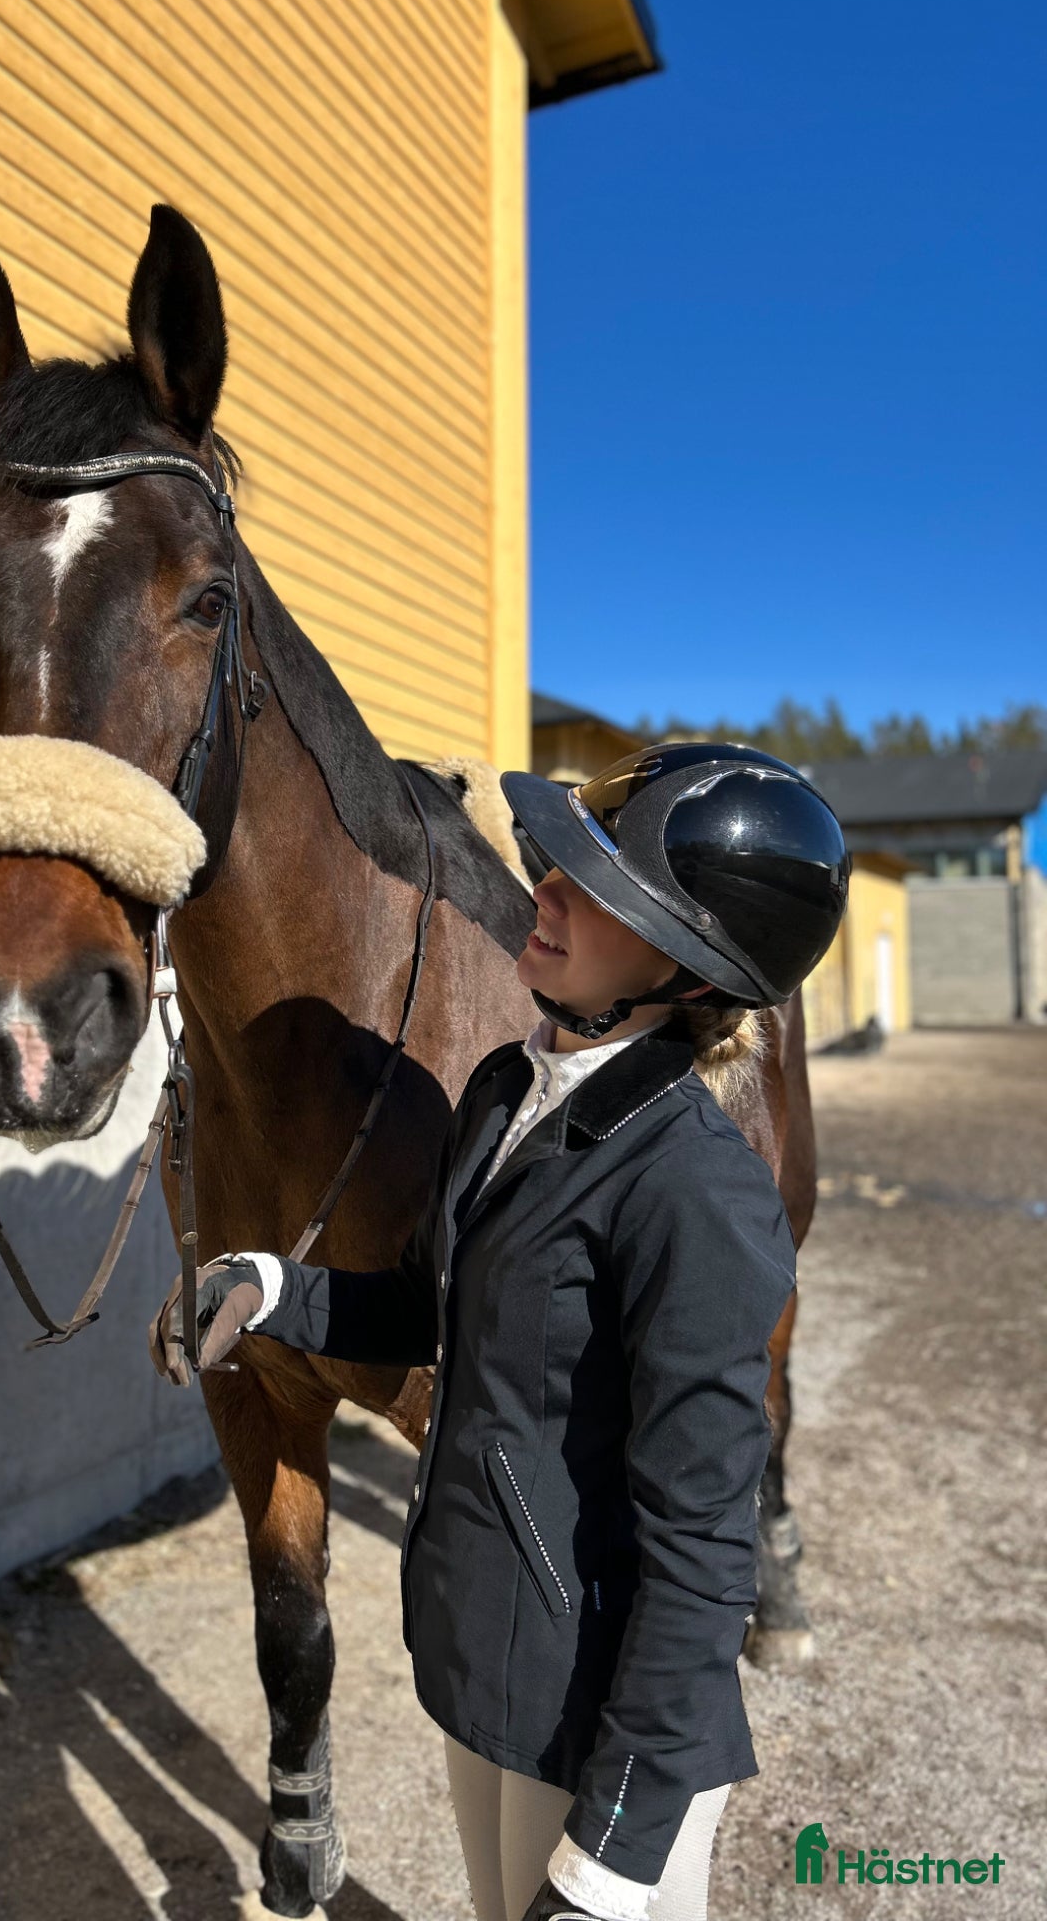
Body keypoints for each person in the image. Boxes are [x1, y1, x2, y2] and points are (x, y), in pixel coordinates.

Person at [149, 744, 850, 1921]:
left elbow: (700, 1548)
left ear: (686, 969)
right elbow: (443, 1309)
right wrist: (273, 1288)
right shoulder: (497, 1093)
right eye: (559, 864)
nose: (548, 892)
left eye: (600, 887)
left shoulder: (698, 1191)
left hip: (604, 1724)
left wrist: (616, 1855)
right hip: (492, 1671)